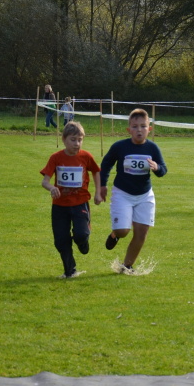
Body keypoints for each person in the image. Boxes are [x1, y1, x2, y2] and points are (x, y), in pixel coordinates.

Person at [100, 108, 168, 273]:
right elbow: (106, 164)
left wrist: (157, 167)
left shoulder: (152, 148)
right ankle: (115, 235)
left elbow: (163, 170)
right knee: (123, 231)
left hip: (144, 195)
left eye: (143, 126)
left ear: (149, 129)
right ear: (128, 129)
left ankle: (127, 266)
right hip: (122, 193)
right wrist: (102, 185)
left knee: (141, 233)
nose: (139, 130)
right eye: (135, 127)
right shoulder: (120, 147)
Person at [41, 121, 102, 278]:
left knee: (81, 234)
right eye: (73, 140)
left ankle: (83, 243)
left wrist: (97, 192)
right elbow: (45, 181)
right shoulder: (56, 158)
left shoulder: (86, 156)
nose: (77, 143)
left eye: (80, 140)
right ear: (64, 139)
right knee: (61, 240)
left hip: (80, 203)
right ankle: (70, 271)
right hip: (59, 206)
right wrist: (52, 188)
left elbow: (96, 171)